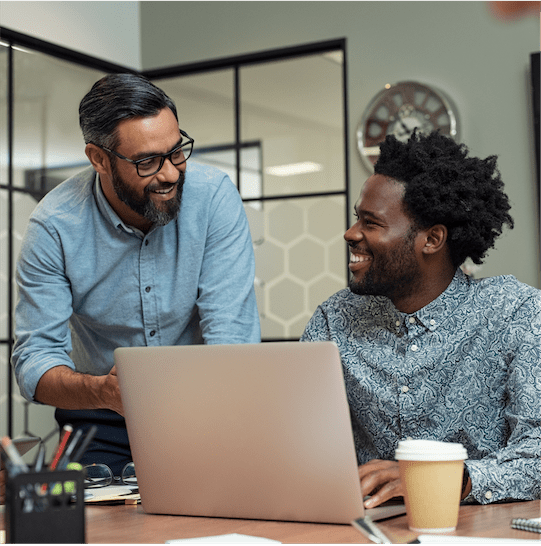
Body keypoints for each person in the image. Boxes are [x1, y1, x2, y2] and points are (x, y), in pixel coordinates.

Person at [11, 73, 260, 476]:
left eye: (177, 152)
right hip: (100, 422)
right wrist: (102, 391)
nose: (171, 174)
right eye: (148, 161)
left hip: (206, 407)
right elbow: (34, 360)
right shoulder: (54, 227)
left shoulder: (213, 197)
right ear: (99, 159)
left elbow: (230, 334)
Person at [301, 130, 541, 508]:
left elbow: (537, 452)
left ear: (432, 240)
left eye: (371, 223)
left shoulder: (515, 314)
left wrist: (434, 479)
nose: (350, 234)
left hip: (475, 529)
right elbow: (299, 443)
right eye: (355, 219)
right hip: (365, 528)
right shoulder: (334, 320)